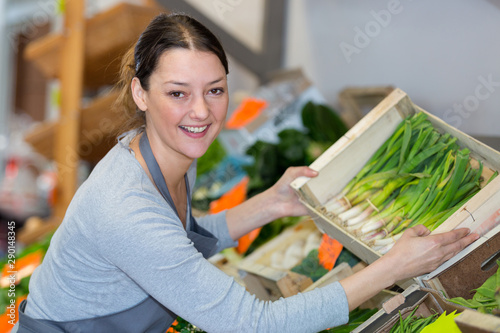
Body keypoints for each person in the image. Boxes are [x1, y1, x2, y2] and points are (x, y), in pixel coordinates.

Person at [13, 12, 478, 333]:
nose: (201, 111)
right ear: (140, 93)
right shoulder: (124, 205)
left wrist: (270, 204)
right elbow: (253, 325)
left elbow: (181, 238)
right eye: (178, 93)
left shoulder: (163, 153)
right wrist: (392, 266)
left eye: (214, 90)